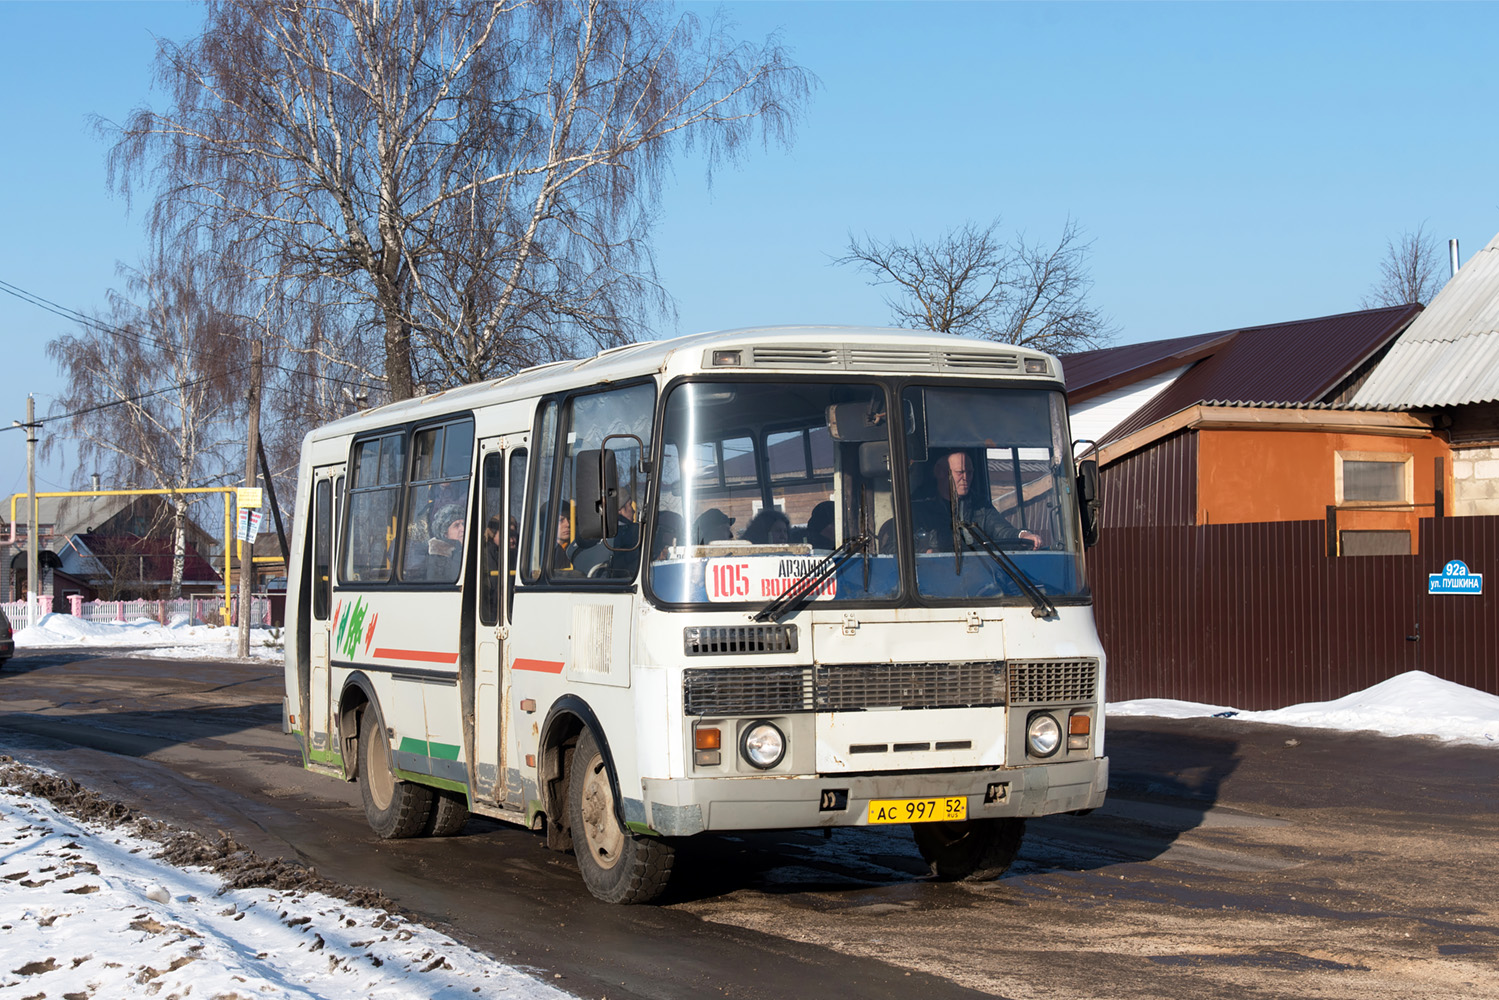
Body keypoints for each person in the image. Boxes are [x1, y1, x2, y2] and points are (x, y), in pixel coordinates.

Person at [913, 450, 1042, 551]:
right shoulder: (918, 509)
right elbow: (895, 546)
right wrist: (923, 552)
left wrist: (1023, 536)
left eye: (970, 473)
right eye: (960, 472)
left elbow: (1002, 530)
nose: (966, 478)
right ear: (940, 472)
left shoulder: (980, 507)